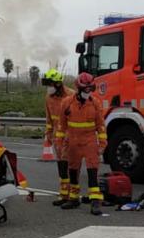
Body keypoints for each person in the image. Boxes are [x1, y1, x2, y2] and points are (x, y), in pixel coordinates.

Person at [59, 72, 106, 215]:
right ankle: (73, 198)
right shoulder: (67, 103)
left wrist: (102, 143)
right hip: (72, 141)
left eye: (90, 89)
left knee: (92, 170)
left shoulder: (95, 103)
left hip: (90, 140)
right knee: (73, 170)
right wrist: (61, 144)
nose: (88, 92)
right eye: (86, 89)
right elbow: (62, 126)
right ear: (79, 89)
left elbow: (101, 125)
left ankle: (95, 201)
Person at [41, 68, 74, 206]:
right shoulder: (49, 98)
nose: (48, 88)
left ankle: (73, 195)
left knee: (72, 166)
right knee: (61, 166)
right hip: (57, 137)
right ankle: (64, 195)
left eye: (50, 85)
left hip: (71, 136)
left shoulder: (71, 96)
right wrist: (48, 134)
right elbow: (49, 119)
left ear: (58, 84)